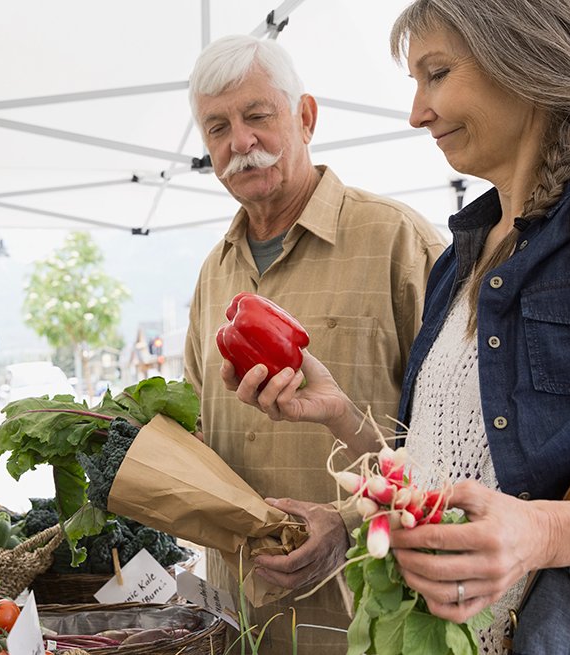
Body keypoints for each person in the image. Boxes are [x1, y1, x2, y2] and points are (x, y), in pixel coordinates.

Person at [228, 0, 570, 652]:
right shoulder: (458, 263)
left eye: (437, 73)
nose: (416, 112)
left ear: (526, 60)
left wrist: (545, 532)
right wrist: (340, 413)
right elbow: (443, 475)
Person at [183, 35, 446, 653]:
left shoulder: (399, 243)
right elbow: (200, 425)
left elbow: (464, 445)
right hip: (232, 623)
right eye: (217, 127)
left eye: (257, 116)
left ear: (305, 117)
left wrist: (351, 523)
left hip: (360, 621)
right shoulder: (211, 273)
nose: (239, 143)